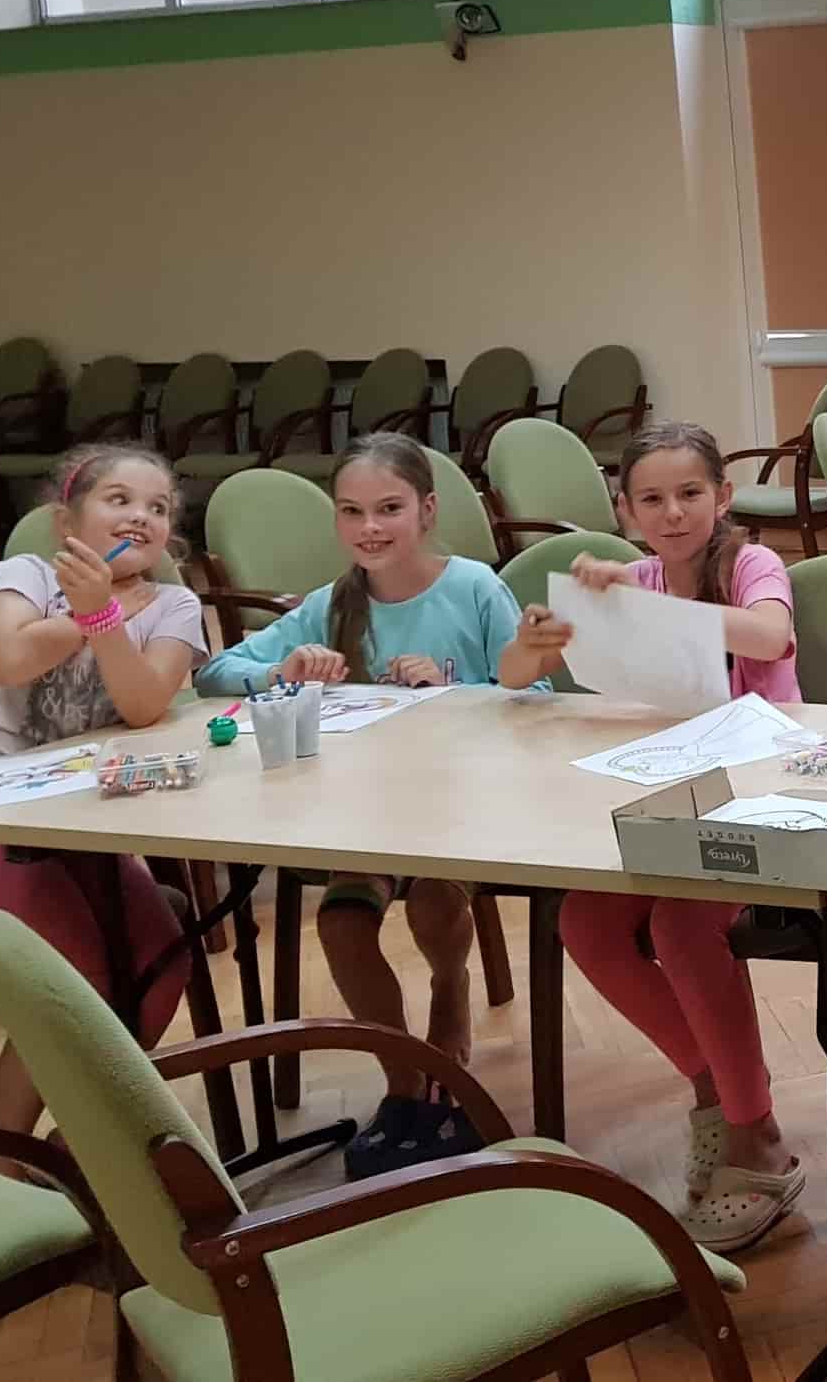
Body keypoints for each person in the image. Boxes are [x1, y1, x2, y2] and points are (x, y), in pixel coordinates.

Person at [197, 432, 564, 1176]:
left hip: (466, 813)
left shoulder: (473, 587)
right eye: (352, 511)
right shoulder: (333, 604)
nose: (370, 527)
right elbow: (214, 673)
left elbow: (539, 697)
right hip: (364, 819)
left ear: (426, 510)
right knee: (341, 919)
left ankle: (450, 1001)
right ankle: (406, 1082)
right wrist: (283, 667)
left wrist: (456, 690)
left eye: (389, 508)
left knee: (433, 893)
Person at [520, 422, 807, 1252]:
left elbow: (767, 635)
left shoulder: (753, 564)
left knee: (682, 923)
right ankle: (716, 1086)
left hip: (763, 797)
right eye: (652, 498)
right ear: (626, 509)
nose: (673, 513)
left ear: (723, 496)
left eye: (690, 494)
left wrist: (648, 608)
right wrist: (547, 632)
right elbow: (520, 675)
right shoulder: (636, 577)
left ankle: (755, 1133)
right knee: (584, 918)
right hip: (665, 792)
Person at [0, 444, 205, 1135]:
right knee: (72, 981)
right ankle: (3, 1161)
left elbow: (143, 705)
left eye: (158, 508)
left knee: (160, 965)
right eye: (119, 499)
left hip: (91, 840)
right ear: (68, 522)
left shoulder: (174, 604)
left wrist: (108, 621)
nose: (141, 516)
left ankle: (83, 1147)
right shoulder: (23, 577)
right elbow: (9, 659)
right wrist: (87, 611)